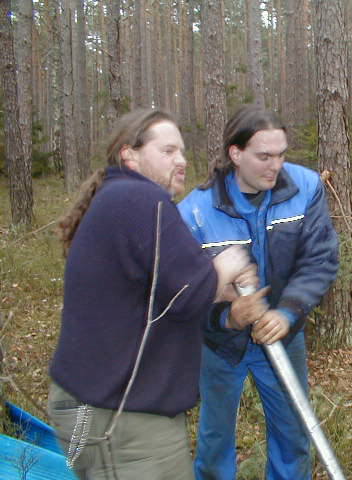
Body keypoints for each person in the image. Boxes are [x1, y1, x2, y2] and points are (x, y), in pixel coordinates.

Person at [48, 109, 256, 480]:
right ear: (130, 155)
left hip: (90, 405)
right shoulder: (141, 199)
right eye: (168, 151)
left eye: (182, 151)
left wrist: (218, 291)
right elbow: (190, 291)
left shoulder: (117, 198)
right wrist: (229, 262)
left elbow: (158, 293)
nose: (181, 160)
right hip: (121, 417)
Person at [178, 105, 339, 480]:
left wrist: (287, 312)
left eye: (281, 154)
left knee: (292, 436)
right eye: (264, 156)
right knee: (215, 440)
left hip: (283, 334)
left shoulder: (305, 188)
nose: (275, 165)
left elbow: (320, 259)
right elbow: (183, 293)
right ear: (236, 154)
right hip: (220, 344)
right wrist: (228, 317)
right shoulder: (195, 213)